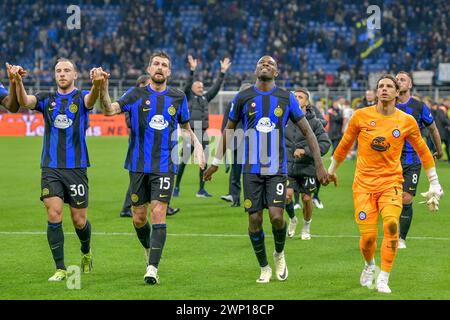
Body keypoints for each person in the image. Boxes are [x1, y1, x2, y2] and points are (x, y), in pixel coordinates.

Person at [204, 56, 329, 283]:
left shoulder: (286, 98)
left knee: (276, 217)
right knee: (254, 220)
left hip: (277, 169)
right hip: (250, 169)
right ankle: (264, 267)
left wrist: (319, 165)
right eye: (262, 63)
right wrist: (215, 163)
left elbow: (309, 132)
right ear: (255, 70)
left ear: (277, 72)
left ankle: (279, 254)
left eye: (270, 64)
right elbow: (229, 130)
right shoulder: (243, 97)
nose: (265, 65)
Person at [328, 74, 443, 293]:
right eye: (381, 86)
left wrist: (434, 182)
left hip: (391, 182)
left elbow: (423, 151)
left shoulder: (406, 121)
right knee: (368, 238)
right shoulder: (360, 116)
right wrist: (331, 171)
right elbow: (343, 146)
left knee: (391, 225)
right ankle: (370, 265)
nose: (384, 89)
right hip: (363, 185)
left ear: (397, 93)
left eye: (389, 86)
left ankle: (384, 277)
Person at [98, 51, 205, 285]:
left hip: (165, 165)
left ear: (169, 71)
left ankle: (153, 268)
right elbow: (109, 109)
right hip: (137, 165)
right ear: (149, 69)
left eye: (164, 65)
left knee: (158, 213)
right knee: (138, 218)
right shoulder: (135, 94)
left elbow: (185, 126)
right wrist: (103, 87)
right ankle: (149, 249)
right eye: (156, 63)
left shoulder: (177, 97)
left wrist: (197, 145)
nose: (159, 67)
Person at [13, 58, 100, 281]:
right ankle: (60, 268)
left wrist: (98, 83)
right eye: (58, 71)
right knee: (54, 214)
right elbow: (25, 101)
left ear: (75, 75)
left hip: (77, 168)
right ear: (55, 75)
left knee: (79, 220)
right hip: (50, 167)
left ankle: (86, 250)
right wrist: (17, 82)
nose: (62, 74)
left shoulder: (81, 97)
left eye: (67, 70)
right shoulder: (47, 99)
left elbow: (92, 99)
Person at [119, 74, 180, 217]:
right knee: (140, 178)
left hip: (158, 147)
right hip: (140, 146)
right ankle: (127, 207)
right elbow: (128, 122)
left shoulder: (162, 100)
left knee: (160, 174)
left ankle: (164, 205)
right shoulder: (133, 99)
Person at [395, 71, 443, 249]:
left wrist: (438, 150)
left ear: (409, 86)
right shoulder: (386, 106)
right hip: (389, 161)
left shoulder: (419, 106)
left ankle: (401, 238)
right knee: (390, 199)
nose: (399, 81)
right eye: (397, 79)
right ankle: (391, 233)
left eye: (403, 79)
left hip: (412, 161)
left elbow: (433, 129)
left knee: (406, 198)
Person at [173, 55, 231, 198]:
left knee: (203, 162)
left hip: (204, 133)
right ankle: (176, 187)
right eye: (199, 86)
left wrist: (222, 72)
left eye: (202, 87)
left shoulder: (205, 98)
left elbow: (216, 88)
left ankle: (201, 189)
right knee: (183, 162)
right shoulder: (188, 97)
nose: (201, 88)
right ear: (193, 88)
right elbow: (186, 85)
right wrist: (192, 71)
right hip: (190, 133)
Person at [285, 88, 331, 239]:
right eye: (294, 96)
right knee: (286, 196)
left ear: (306, 102)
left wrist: (305, 151)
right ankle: (292, 219)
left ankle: (306, 226)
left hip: (307, 167)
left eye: (300, 97)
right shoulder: (284, 119)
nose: (297, 99)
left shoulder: (315, 123)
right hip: (288, 167)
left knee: (306, 199)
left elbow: (325, 144)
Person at [220, 82, 253, 207]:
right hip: (236, 141)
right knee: (236, 171)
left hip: (251, 142)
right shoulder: (232, 104)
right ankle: (235, 198)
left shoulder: (255, 106)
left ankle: (251, 198)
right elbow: (225, 124)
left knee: (251, 172)